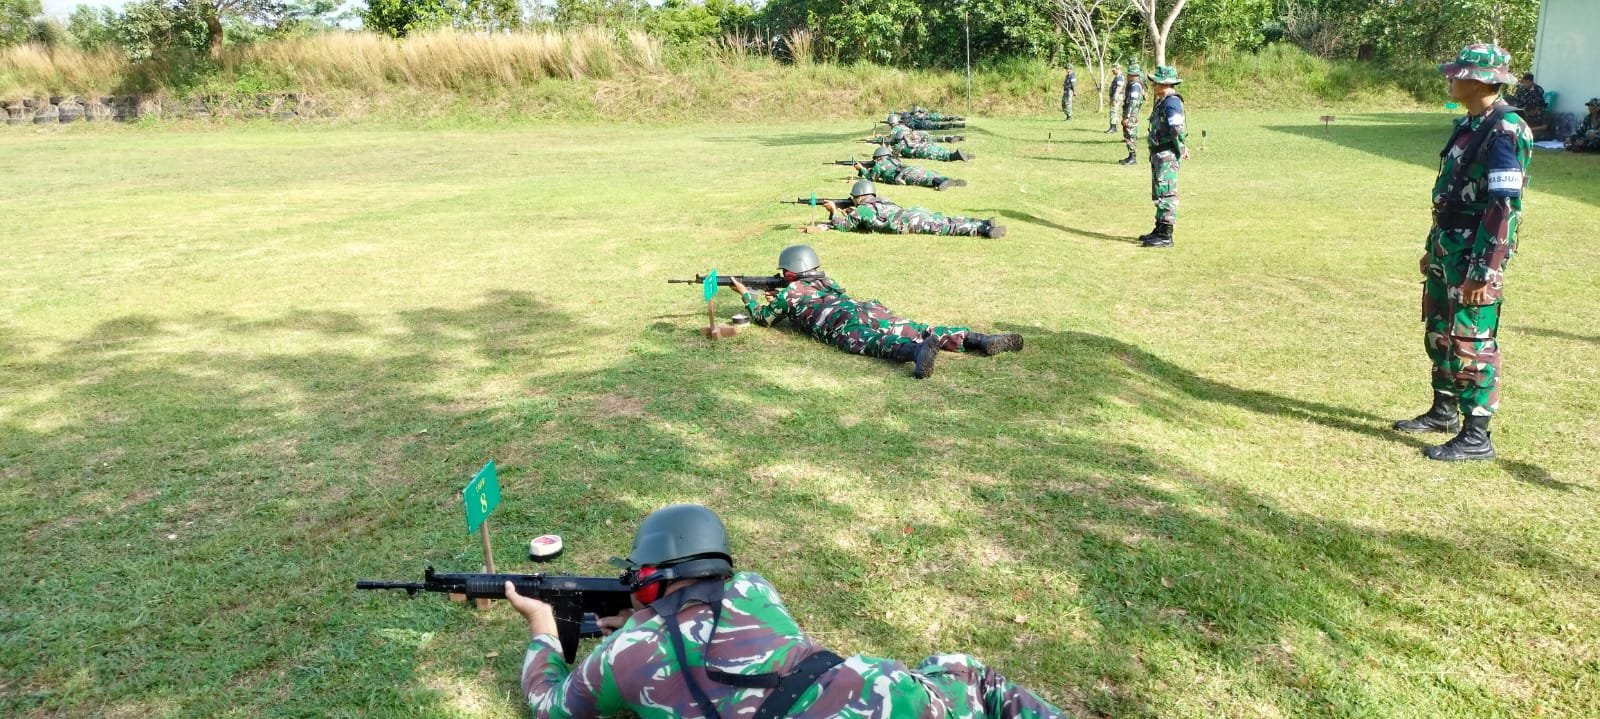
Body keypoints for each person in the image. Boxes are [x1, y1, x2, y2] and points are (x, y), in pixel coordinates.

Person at [506, 504, 1063, 718]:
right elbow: (708, 630)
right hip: (884, 699)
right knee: (968, 676)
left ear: (650, 578)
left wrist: (543, 630)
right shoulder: (754, 588)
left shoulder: (624, 656)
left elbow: (550, 706)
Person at [1392, 43, 1531, 462]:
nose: (1451, 78)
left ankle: (1477, 436)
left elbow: (1503, 208)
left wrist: (1483, 271)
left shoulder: (1505, 129)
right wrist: (1431, 248)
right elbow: (1451, 195)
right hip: (1447, 247)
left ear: (1480, 81)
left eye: (1459, 73)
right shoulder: (1471, 123)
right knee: (1440, 329)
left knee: (1472, 339)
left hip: (1474, 253)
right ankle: (1444, 410)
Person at [808, 180, 1004, 239]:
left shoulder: (862, 210)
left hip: (908, 222)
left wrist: (833, 211)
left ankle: (984, 230)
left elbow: (843, 226)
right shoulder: (880, 201)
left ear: (858, 197)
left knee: (946, 228)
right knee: (946, 220)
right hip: (912, 213)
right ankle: (982, 222)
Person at [1138, 65, 1189, 248]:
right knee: (1160, 192)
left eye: (1156, 82)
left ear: (1166, 84)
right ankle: (1159, 228)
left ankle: (1166, 235)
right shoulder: (1163, 101)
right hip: (1159, 154)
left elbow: (1176, 129)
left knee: (1166, 192)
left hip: (1167, 155)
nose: (1153, 85)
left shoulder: (1172, 103)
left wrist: (1181, 148)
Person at [854, 145, 967, 191]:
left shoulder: (879, 165)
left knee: (924, 179)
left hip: (903, 175)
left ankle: (941, 182)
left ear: (878, 157)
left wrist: (861, 169)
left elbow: (871, 178)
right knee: (927, 173)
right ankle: (947, 179)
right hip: (908, 169)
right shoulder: (894, 160)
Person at [878, 115, 972, 162]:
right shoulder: (904, 126)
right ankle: (952, 146)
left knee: (935, 153)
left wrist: (882, 141)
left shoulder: (897, 135)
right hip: (918, 139)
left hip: (917, 147)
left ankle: (954, 156)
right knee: (935, 145)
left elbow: (892, 150)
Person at [1117, 63, 1147, 165]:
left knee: (1130, 135)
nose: (1127, 76)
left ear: (1133, 75)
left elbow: (1133, 102)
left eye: (1129, 74)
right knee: (1128, 134)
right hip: (1131, 114)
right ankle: (1130, 156)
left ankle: (1133, 157)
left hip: (1131, 115)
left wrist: (1127, 116)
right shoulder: (1134, 85)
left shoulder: (1135, 86)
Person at [1508, 73, 1552, 140]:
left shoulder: (1538, 90)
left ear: (1532, 82)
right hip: (1524, 108)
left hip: (1532, 109)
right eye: (1524, 82)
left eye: (1527, 82)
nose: (1525, 84)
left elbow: (1538, 101)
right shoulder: (1521, 89)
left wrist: (1529, 129)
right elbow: (1517, 100)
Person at [1105, 63, 1126, 134]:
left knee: (1113, 111)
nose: (1112, 71)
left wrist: (1115, 98)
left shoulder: (1120, 77)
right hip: (1116, 96)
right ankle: (1113, 127)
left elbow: (1119, 88)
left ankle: (1113, 128)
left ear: (1118, 69)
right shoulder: (1117, 77)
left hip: (1117, 97)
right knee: (1114, 111)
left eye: (1114, 70)